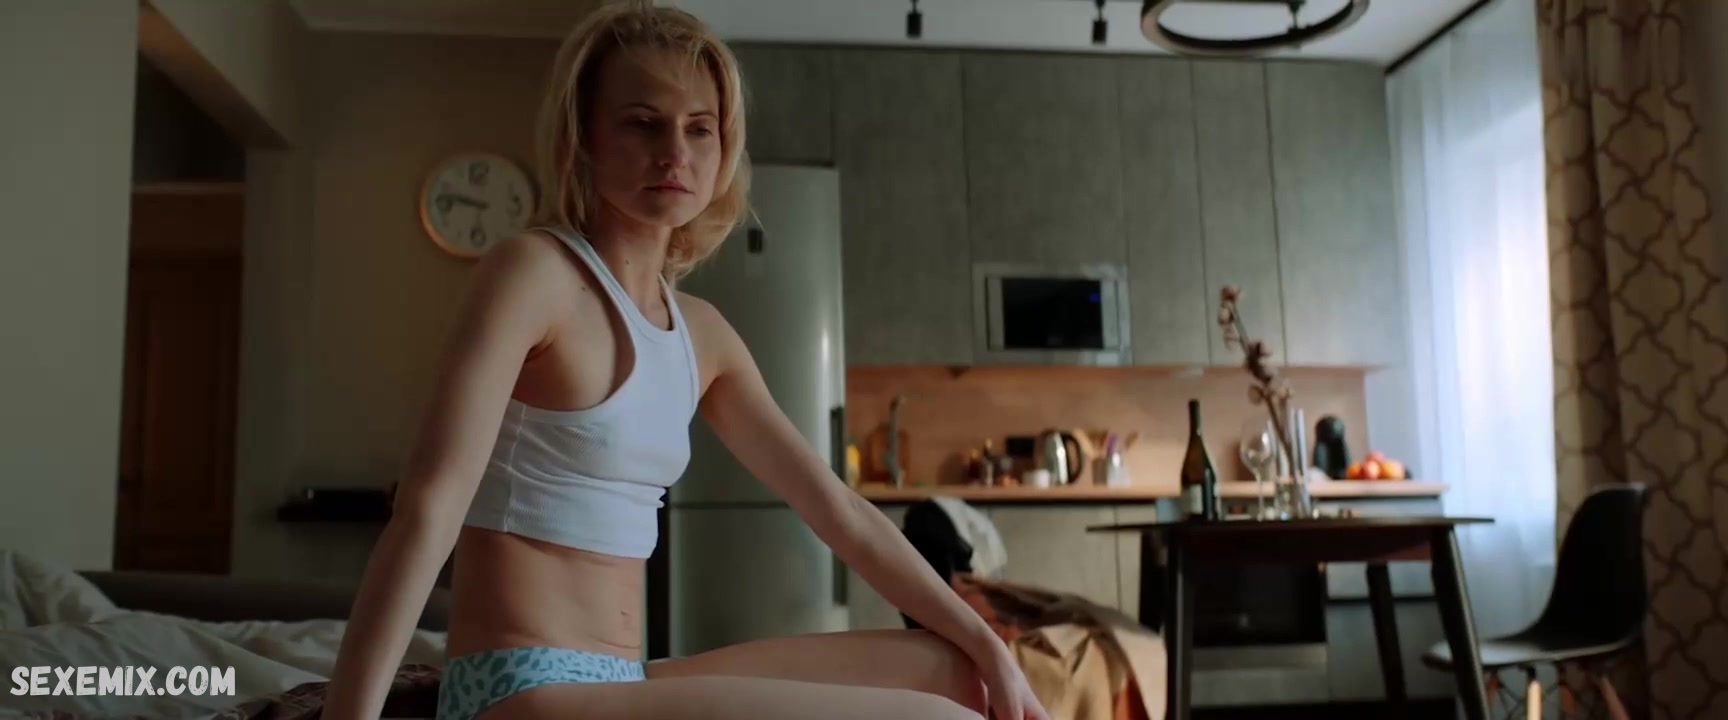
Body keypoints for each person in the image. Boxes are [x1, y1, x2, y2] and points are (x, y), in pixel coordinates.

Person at [319, 4, 1051, 720]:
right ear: (585, 136)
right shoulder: (534, 273)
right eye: (643, 123)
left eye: (699, 128)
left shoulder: (703, 335)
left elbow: (839, 511)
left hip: (621, 678)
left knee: (958, 675)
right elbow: (429, 508)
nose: (675, 152)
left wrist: (990, 644)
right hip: (518, 686)